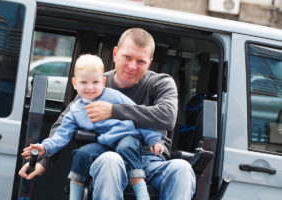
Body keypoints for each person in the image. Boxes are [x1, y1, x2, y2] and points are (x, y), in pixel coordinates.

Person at [19, 28, 196, 200]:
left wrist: (113, 110)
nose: (132, 66)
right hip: (108, 157)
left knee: (182, 168)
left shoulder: (160, 83)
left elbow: (167, 116)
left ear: (149, 61)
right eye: (127, 57)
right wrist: (43, 161)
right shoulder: (94, 84)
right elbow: (64, 124)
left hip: (150, 160)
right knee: (110, 160)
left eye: (141, 61)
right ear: (115, 53)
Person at [22, 54, 164, 200]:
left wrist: (154, 139)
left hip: (128, 137)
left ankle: (142, 194)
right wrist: (45, 147)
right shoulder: (75, 110)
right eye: (83, 82)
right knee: (81, 154)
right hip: (105, 144)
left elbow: (139, 117)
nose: (90, 87)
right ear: (74, 83)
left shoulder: (115, 97)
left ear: (103, 81)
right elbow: (61, 135)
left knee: (125, 148)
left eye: (95, 82)